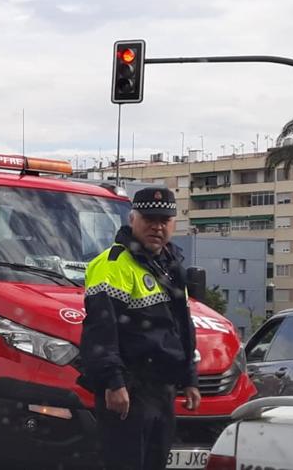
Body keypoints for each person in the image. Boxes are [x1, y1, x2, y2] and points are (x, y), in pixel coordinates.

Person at [81, 187, 201, 470]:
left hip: (162, 389)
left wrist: (190, 378)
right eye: (149, 219)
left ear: (173, 224)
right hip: (130, 389)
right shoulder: (112, 265)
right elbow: (101, 330)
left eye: (164, 220)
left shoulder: (171, 266)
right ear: (132, 219)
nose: (157, 226)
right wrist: (113, 382)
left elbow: (183, 326)